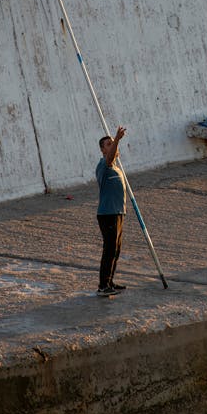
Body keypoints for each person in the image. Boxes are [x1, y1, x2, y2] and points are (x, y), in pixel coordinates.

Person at [95, 125, 127, 296]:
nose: (112, 145)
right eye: (108, 144)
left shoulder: (116, 168)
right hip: (107, 214)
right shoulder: (104, 166)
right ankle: (102, 286)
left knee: (116, 249)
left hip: (118, 213)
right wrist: (117, 139)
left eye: (112, 143)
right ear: (102, 150)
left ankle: (110, 281)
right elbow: (109, 158)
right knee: (109, 249)